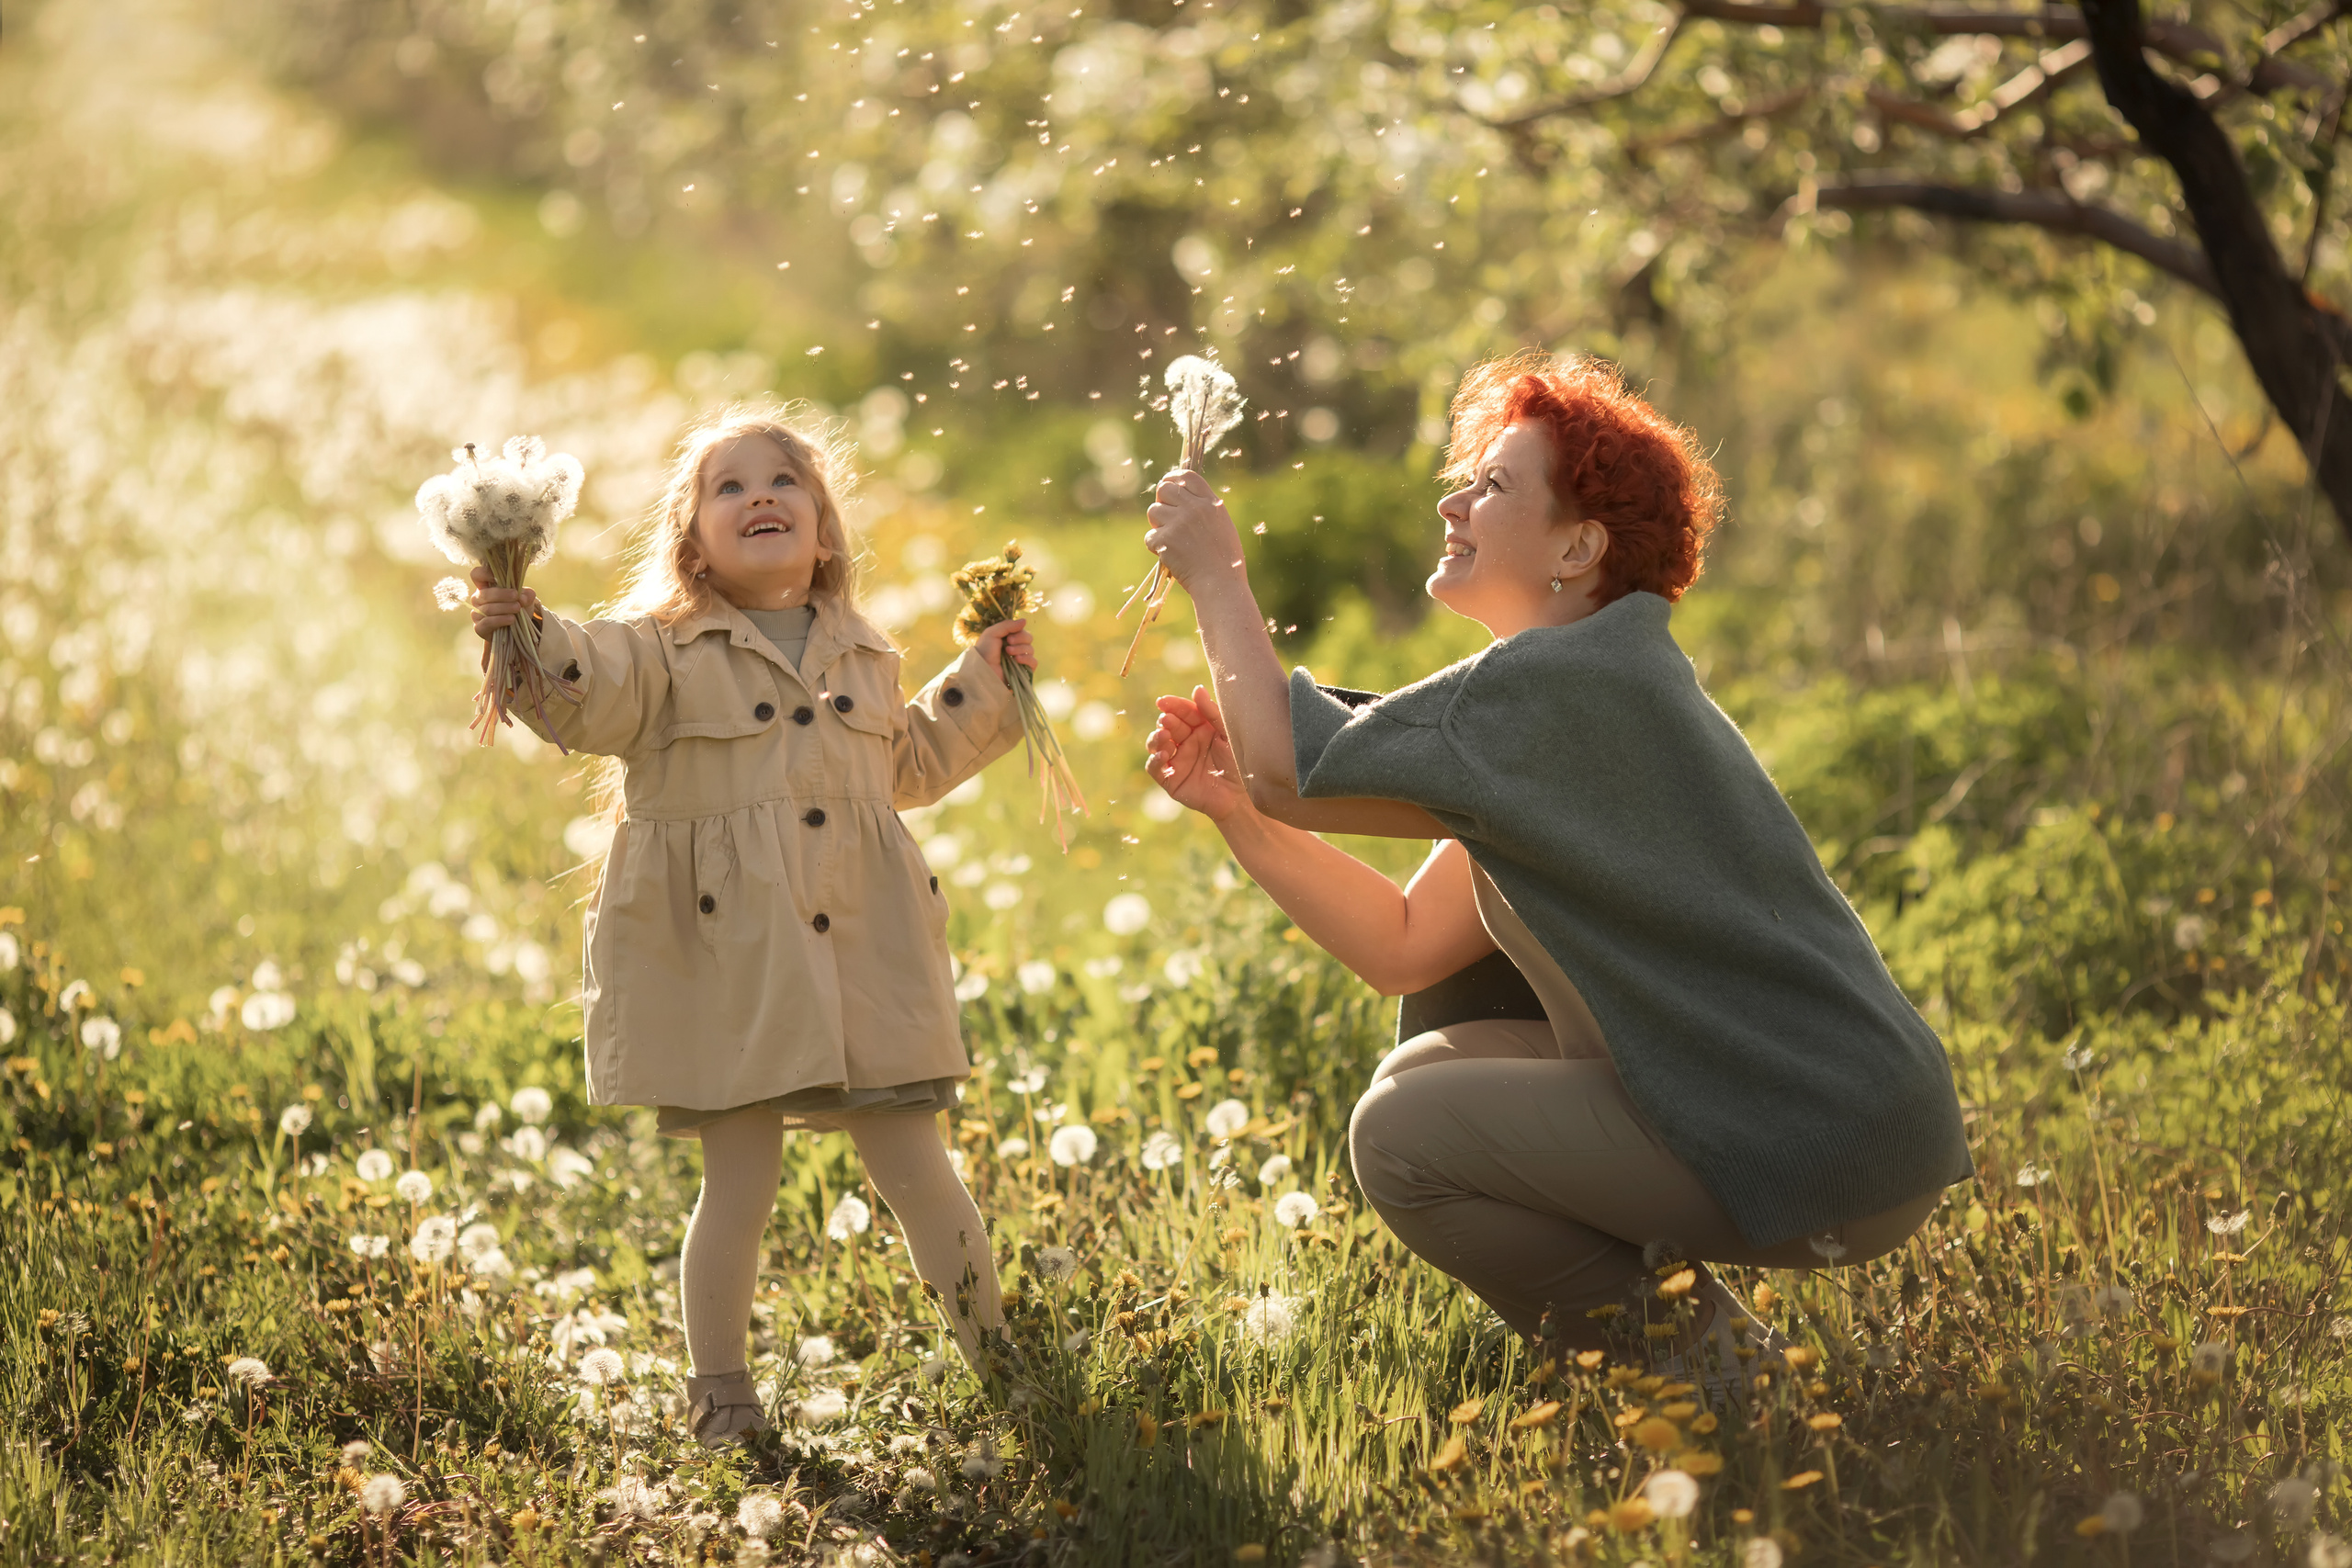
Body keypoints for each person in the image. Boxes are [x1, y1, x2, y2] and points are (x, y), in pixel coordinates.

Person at [1142, 352, 1972, 1393]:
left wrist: (1217, 573)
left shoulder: (1559, 689)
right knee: (1417, 1079)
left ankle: (1723, 1384)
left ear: (1579, 547)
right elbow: (1402, 946)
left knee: (1400, 1138)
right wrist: (1236, 812)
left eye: (1490, 486)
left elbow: (1285, 762)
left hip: (1820, 1132)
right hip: (1841, 1114)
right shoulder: (1577, 695)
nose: (1452, 501)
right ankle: (1731, 1368)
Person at [468, 402, 1029, 1445]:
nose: (759, 495)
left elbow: (902, 765)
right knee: (740, 1178)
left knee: (914, 1159)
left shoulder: (864, 651)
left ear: (824, 531)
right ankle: (722, 1391)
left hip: (863, 942)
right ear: (693, 545)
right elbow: (585, 692)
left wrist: (984, 683)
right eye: (729, 486)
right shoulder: (660, 653)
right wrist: (526, 630)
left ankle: (997, 1356)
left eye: (784, 482)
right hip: (728, 955)